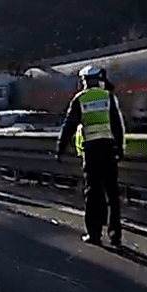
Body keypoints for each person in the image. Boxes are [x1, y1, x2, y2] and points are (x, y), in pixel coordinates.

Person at [55, 65, 126, 246]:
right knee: (112, 193)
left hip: (92, 151)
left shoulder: (80, 99)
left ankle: (94, 234)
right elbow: (117, 125)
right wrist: (120, 148)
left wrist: (60, 148)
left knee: (93, 193)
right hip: (108, 149)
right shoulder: (108, 97)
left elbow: (69, 126)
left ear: (84, 81)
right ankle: (115, 236)